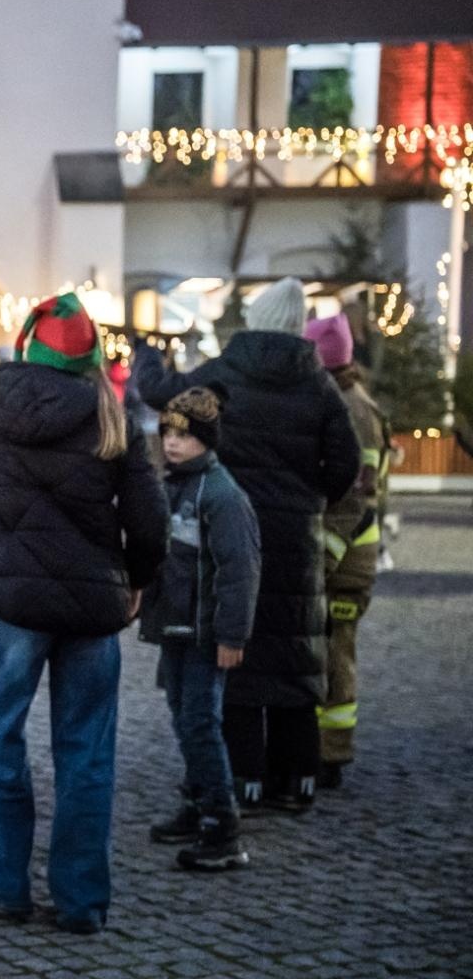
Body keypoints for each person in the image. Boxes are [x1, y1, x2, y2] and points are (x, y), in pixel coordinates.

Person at [0, 293, 168, 935]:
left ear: (26, 345)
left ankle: (3, 882)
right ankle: (81, 900)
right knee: (87, 752)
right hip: (94, 606)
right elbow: (148, 517)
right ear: (91, 355)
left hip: (16, 607)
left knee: (0, 739)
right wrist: (139, 579)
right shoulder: (111, 408)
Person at [135, 277, 360, 815]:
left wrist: (145, 354)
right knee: (294, 654)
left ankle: (243, 779)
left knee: (235, 653)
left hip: (227, 526)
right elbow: (346, 464)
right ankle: (297, 778)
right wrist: (309, 499)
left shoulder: (224, 371)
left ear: (255, 317)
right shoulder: (319, 385)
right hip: (297, 539)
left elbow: (161, 394)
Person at [140, 386, 260, 872]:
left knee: (200, 722)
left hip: (204, 633)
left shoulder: (222, 495)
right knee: (183, 717)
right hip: (175, 628)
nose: (172, 442)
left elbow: (239, 570)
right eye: (168, 431)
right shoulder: (175, 485)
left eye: (184, 435)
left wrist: (233, 635)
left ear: (207, 441)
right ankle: (195, 802)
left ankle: (222, 824)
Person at [305, 314, 388, 790]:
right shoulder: (343, 400)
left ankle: (331, 753)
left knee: (336, 651)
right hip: (344, 552)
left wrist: (324, 558)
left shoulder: (353, 411)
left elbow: (357, 497)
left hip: (347, 557)